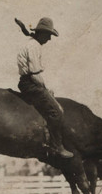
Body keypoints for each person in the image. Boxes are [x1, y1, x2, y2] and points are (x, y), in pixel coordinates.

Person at [16, 17, 73, 158]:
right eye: (48, 35)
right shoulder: (34, 47)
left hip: (26, 82)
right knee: (57, 111)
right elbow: (35, 75)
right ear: (41, 33)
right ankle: (57, 146)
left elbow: (29, 34)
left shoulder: (32, 42)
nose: (49, 39)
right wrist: (46, 89)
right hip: (30, 83)